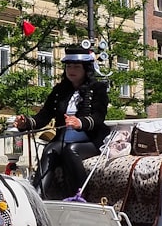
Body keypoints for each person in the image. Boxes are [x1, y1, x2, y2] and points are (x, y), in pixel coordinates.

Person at [15, 45, 109, 199]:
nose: (71, 70)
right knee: (51, 148)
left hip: (91, 141)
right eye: (68, 66)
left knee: (70, 149)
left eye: (76, 66)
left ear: (86, 69)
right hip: (63, 140)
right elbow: (45, 115)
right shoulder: (59, 91)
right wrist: (26, 123)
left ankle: (82, 195)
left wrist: (80, 122)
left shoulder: (98, 88)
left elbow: (99, 116)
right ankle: (37, 196)